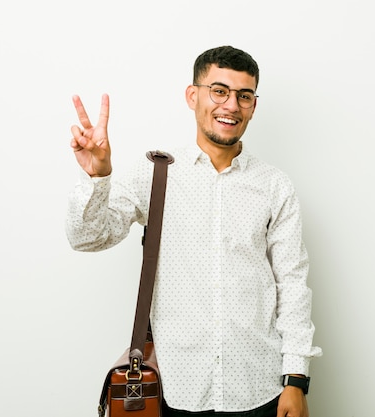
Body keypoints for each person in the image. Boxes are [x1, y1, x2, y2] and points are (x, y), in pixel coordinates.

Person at [66, 45, 322, 417]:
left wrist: (296, 380)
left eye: (244, 96)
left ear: (253, 105)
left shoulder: (274, 186)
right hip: (176, 391)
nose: (231, 105)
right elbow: (87, 237)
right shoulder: (156, 172)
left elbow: (293, 284)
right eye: (219, 91)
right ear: (193, 95)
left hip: (259, 389)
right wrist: (96, 176)